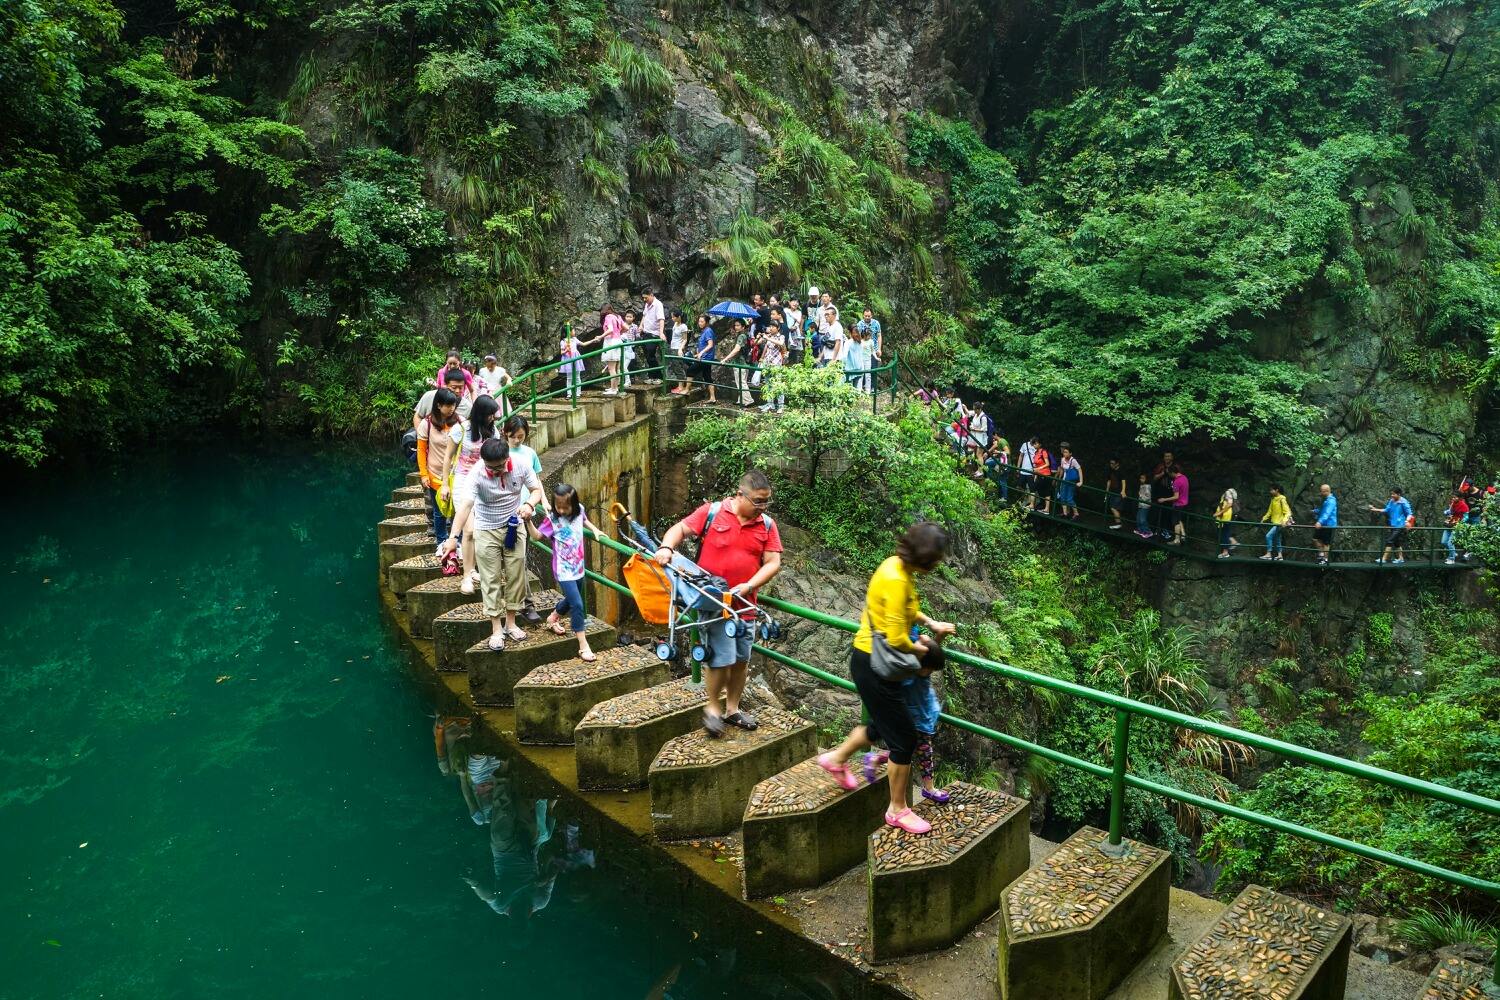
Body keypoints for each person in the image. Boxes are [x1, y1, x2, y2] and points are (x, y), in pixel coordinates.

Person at [817, 522, 956, 835]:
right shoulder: (896, 579)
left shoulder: (896, 567)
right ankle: (897, 810)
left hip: (871, 661)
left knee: (883, 726)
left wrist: (929, 622)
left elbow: (907, 610)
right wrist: (921, 647)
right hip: (875, 665)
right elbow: (896, 638)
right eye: (935, 561)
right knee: (904, 738)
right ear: (925, 559)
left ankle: (836, 759)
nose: (937, 565)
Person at [653, 471, 784, 737]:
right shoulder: (712, 512)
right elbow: (680, 529)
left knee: (741, 660)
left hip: (745, 604)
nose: (762, 507)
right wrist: (667, 547)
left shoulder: (767, 525)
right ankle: (713, 708)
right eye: (758, 501)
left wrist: (748, 586)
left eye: (766, 502)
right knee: (719, 659)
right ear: (740, 495)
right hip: (712, 601)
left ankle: (732, 709)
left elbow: (773, 562)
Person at [444, 438, 544, 650]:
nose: (497, 471)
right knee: (491, 578)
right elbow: (465, 506)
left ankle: (511, 623)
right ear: (484, 462)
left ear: (507, 457)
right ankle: (496, 629)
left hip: (513, 526)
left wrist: (528, 504)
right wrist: (453, 537)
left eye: (500, 466)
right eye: (492, 467)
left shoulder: (520, 464)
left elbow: (536, 490)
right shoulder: (477, 474)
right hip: (486, 528)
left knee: (516, 574)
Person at [529, 483, 602, 660]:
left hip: (578, 567)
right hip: (563, 571)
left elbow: (584, 519)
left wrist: (594, 529)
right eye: (558, 506)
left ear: (574, 505)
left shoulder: (579, 511)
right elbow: (537, 537)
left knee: (571, 599)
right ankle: (583, 646)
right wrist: (527, 521)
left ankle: (553, 617)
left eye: (565, 507)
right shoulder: (552, 520)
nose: (561, 510)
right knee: (577, 604)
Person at [455, 394, 501, 594]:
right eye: (490, 414)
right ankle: (466, 576)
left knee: (480, 530)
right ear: (481, 413)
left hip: (485, 482)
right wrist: (445, 486)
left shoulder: (493, 431)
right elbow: (449, 457)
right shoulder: (461, 429)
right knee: (470, 529)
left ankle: (474, 569)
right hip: (463, 481)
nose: (493, 417)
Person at [504, 414, 546, 622]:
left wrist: (542, 502)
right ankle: (523, 604)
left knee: (520, 560)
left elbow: (537, 481)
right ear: (506, 434)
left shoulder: (529, 453)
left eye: (521, 436)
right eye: (514, 436)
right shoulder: (499, 453)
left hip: (525, 511)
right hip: (503, 512)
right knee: (515, 560)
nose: (517, 440)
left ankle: (526, 605)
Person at [416, 387, 464, 549]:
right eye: (448, 405)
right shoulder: (426, 424)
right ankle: (441, 541)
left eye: (453, 405)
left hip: (457, 474)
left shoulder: (460, 422)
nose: (452, 409)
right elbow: (421, 451)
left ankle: (459, 541)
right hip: (435, 474)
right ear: (438, 405)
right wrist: (423, 475)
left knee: (459, 509)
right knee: (439, 511)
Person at [1367, 487, 1413, 565]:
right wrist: (1375, 509)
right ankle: (1401, 558)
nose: (1392, 495)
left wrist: (1407, 521)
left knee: (1389, 540)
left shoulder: (1404, 502)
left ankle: (1384, 559)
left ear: (1398, 494)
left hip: (1400, 525)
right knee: (1396, 542)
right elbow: (1386, 510)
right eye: (1391, 494)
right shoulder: (1392, 501)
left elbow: (1409, 514)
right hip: (1393, 524)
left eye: (1393, 494)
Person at [719, 318, 754, 407]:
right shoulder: (743, 335)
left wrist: (725, 359)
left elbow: (737, 349)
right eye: (735, 325)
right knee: (741, 381)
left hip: (740, 363)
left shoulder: (741, 336)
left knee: (741, 382)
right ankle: (741, 399)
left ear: (743, 327)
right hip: (743, 362)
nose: (736, 327)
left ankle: (748, 400)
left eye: (738, 325)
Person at [756, 322, 787, 411]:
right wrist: (759, 337)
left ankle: (781, 406)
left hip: (776, 364)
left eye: (773, 326)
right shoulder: (769, 336)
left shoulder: (781, 336)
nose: (771, 328)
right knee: (768, 384)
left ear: (778, 328)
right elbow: (758, 344)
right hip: (767, 363)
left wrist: (768, 338)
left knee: (778, 385)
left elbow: (781, 343)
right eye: (770, 326)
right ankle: (770, 404)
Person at [639, 289, 666, 385]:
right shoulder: (647, 304)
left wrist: (661, 333)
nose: (644, 300)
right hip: (646, 333)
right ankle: (652, 377)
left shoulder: (658, 304)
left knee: (651, 355)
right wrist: (641, 325)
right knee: (648, 356)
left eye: (646, 297)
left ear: (651, 295)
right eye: (643, 298)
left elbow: (661, 319)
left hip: (654, 334)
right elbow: (644, 315)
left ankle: (659, 377)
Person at [1156, 464, 1187, 543]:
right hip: (1184, 503)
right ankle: (1183, 534)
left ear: (1172, 472)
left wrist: (1164, 499)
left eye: (1169, 474)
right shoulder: (1184, 477)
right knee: (1179, 518)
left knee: (1175, 522)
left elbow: (1176, 497)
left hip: (1178, 504)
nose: (1169, 475)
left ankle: (1177, 540)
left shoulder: (1176, 482)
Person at [1260, 485, 1292, 561]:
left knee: (1268, 536)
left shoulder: (1282, 499)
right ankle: (1280, 555)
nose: (1270, 491)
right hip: (1275, 523)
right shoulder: (1273, 499)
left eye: (1272, 490)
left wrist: (1284, 521)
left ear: (1277, 490)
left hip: (1280, 523)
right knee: (1278, 539)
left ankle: (1268, 554)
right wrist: (1264, 519)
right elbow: (1270, 511)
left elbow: (1287, 512)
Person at [693, 313, 717, 403]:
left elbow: (710, 345)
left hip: (706, 358)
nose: (700, 323)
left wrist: (701, 353)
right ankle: (712, 398)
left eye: (702, 321)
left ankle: (686, 390)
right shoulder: (704, 331)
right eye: (699, 321)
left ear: (706, 322)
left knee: (690, 371)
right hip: (704, 357)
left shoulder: (708, 331)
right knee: (707, 376)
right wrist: (698, 353)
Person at [1311, 484, 1338, 565]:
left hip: (1329, 525)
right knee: (1315, 539)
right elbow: (1323, 511)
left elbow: (1327, 513)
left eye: (1322, 491)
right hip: (1324, 524)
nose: (1321, 493)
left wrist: (1320, 522)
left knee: (1326, 543)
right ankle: (1322, 555)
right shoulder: (1326, 500)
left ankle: (1325, 559)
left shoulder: (1331, 501)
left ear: (1326, 491)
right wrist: (1315, 511)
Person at [841, 325, 872, 392]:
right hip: (859, 369)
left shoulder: (848, 343)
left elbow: (844, 357)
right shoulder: (860, 343)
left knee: (848, 390)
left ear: (850, 333)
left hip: (849, 370)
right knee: (855, 389)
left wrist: (842, 367)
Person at [1442, 493, 1469, 565]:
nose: (1453, 499)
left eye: (1455, 497)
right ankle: (1453, 553)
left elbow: (1466, 516)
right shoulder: (1452, 503)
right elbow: (1450, 512)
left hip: (1457, 526)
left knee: (1450, 543)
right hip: (1450, 524)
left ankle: (1451, 559)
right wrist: (1447, 512)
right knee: (1444, 542)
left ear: (1459, 498)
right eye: (1452, 497)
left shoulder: (1464, 506)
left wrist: (1460, 523)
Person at [1056, 443, 1082, 519]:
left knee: (1069, 498)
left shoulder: (1073, 460)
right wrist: (1059, 479)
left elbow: (1079, 470)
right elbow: (1062, 469)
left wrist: (1081, 481)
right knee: (1062, 497)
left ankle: (1076, 514)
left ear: (1070, 453)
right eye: (1064, 452)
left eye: (1066, 452)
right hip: (1064, 481)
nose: (1065, 453)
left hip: (1071, 482)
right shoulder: (1062, 459)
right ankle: (1065, 513)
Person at [559, 324, 585, 396]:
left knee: (577, 376)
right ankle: (569, 393)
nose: (574, 332)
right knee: (569, 377)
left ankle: (578, 393)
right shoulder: (563, 341)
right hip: (568, 359)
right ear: (569, 332)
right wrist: (566, 350)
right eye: (573, 330)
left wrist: (593, 340)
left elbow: (583, 344)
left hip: (576, 358)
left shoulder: (574, 339)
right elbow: (562, 352)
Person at [668, 309, 690, 394]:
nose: (672, 318)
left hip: (678, 348)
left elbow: (685, 339)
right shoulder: (675, 324)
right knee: (675, 366)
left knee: (678, 367)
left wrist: (680, 349)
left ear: (679, 317)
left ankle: (681, 386)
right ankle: (680, 385)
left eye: (674, 317)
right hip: (673, 347)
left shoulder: (683, 326)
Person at [1017, 436, 1041, 507]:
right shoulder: (1025, 445)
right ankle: (1026, 499)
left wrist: (1036, 472)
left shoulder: (1037, 447)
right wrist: (1018, 467)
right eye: (1032, 441)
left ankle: (1032, 503)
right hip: (1023, 470)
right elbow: (1021, 456)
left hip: (1031, 471)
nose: (1032, 443)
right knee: (1019, 486)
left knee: (1031, 488)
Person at [1031, 440, 1054, 514]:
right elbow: (1036, 464)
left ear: (1040, 444)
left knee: (1035, 488)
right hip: (1039, 475)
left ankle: (1033, 506)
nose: (1034, 445)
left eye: (1036, 443)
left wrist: (1039, 469)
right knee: (1042, 491)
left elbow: (1047, 464)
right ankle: (1044, 508)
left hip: (1045, 475)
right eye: (1033, 444)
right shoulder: (1036, 453)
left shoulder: (1043, 452)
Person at [1215, 488, 1239, 559]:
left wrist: (1220, 512)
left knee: (1224, 533)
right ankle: (1229, 546)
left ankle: (1225, 552)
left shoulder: (1228, 492)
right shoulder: (1230, 492)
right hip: (1226, 516)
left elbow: (1229, 504)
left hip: (1227, 517)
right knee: (1224, 533)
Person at [620, 309, 640, 388]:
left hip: (632, 346)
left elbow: (637, 334)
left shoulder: (635, 326)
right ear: (625, 317)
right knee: (623, 363)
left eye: (630, 317)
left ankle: (632, 377)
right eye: (627, 316)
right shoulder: (623, 325)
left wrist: (638, 335)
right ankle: (624, 378)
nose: (628, 318)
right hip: (623, 345)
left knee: (632, 362)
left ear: (633, 318)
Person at [1105, 459, 1127, 529]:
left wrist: (1123, 491)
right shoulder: (1110, 471)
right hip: (1112, 492)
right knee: (1113, 507)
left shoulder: (1121, 471)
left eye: (1112, 463)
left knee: (1114, 508)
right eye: (1110, 463)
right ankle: (1118, 523)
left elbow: (1123, 481)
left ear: (1117, 464)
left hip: (1118, 492)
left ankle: (1119, 524)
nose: (1111, 465)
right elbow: (1109, 481)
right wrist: (1107, 491)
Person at [784, 299, 805, 365]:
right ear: (789, 302)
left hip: (795, 332)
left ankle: (794, 366)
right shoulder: (785, 310)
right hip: (786, 331)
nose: (795, 303)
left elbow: (798, 321)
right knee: (786, 350)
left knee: (795, 352)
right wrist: (787, 328)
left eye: (797, 302)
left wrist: (794, 327)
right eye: (793, 301)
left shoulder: (799, 312)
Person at [1134, 473, 1153, 537]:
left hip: (1145, 505)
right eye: (1140, 478)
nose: (1141, 479)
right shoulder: (1142, 485)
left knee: (1142, 519)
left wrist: (1141, 495)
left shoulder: (1147, 486)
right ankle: (1140, 530)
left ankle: (1148, 532)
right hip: (1141, 504)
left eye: (1143, 478)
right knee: (1138, 518)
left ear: (1146, 479)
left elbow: (1148, 497)